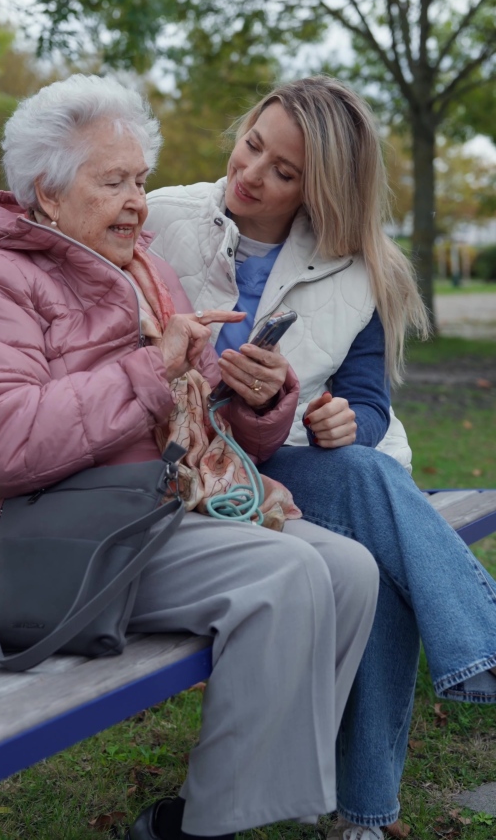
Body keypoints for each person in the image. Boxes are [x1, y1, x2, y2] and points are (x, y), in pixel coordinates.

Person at [0, 74, 379, 840]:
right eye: (114, 181)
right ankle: (200, 828)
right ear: (48, 194)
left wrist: (254, 397)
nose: (137, 201)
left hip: (147, 513)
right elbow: (0, 442)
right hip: (46, 543)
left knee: (350, 569)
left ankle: (241, 796)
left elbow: (197, 421)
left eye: (140, 180)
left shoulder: (141, 269)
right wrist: (150, 370)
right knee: (287, 574)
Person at [145, 75, 496, 840]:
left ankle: (367, 816)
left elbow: (369, 402)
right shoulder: (163, 219)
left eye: (284, 172)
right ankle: (379, 802)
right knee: (380, 531)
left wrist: (343, 421)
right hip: (204, 471)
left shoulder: (359, 266)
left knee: (372, 510)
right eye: (252, 146)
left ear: (321, 188)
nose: (252, 173)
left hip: (300, 464)